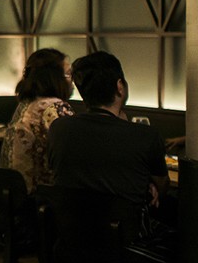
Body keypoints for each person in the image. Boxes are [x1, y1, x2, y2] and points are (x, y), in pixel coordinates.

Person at [47, 51, 168, 207]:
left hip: (68, 221)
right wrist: (148, 184)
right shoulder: (146, 136)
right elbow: (162, 185)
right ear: (120, 86)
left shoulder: (59, 128)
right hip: (125, 222)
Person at [0, 48, 75, 193]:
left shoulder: (26, 105)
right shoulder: (55, 108)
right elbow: (74, 154)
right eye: (68, 74)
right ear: (54, 78)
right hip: (39, 198)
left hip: (13, 196)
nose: (72, 81)